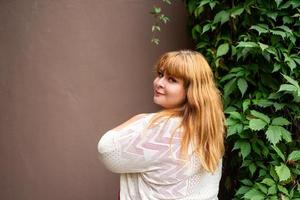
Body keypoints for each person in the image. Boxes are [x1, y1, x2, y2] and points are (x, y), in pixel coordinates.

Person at [97, 50, 226, 200]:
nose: (159, 83)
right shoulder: (209, 128)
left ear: (191, 90)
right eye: (160, 75)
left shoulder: (162, 127)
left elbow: (106, 150)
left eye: (171, 80)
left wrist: (139, 118)